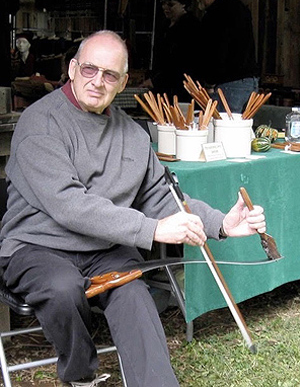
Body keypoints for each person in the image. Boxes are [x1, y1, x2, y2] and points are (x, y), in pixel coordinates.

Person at [0, 30, 266, 387]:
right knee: (62, 288)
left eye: (110, 75)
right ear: (73, 68)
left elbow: (161, 196)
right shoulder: (39, 123)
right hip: (37, 246)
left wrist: (222, 223)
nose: (98, 81)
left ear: (123, 82)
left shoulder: (134, 135)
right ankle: (80, 374)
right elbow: (69, 205)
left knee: (135, 297)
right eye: (90, 69)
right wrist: (152, 230)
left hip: (103, 249)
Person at [191, 0, 259, 113]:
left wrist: (209, 81)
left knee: (223, 129)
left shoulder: (219, 12)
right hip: (244, 82)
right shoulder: (237, 7)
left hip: (230, 85)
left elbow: (218, 51)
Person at [142, 0, 202, 101]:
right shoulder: (165, 25)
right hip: (164, 88)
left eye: (171, 4)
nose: (165, 7)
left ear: (183, 4)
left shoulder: (190, 27)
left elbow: (180, 62)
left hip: (182, 88)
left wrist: (156, 80)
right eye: (163, 3)